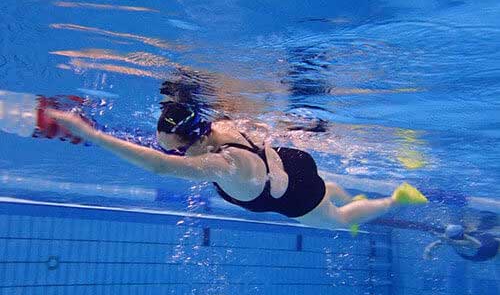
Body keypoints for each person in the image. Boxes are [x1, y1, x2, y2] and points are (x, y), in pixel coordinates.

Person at [45, 100, 428, 230]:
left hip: (293, 193)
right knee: (324, 189)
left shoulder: (224, 165)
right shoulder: (221, 126)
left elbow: (160, 167)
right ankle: (334, 190)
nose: (177, 158)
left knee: (341, 221)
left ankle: (397, 198)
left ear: (194, 141)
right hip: (290, 163)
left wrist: (92, 135)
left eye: (177, 151)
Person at [424, 224, 499, 262]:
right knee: (496, 240)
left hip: (470, 255)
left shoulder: (449, 240)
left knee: (493, 239)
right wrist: (465, 235)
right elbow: (479, 244)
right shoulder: (465, 242)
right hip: (484, 254)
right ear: (461, 234)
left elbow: (437, 243)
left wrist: (427, 250)